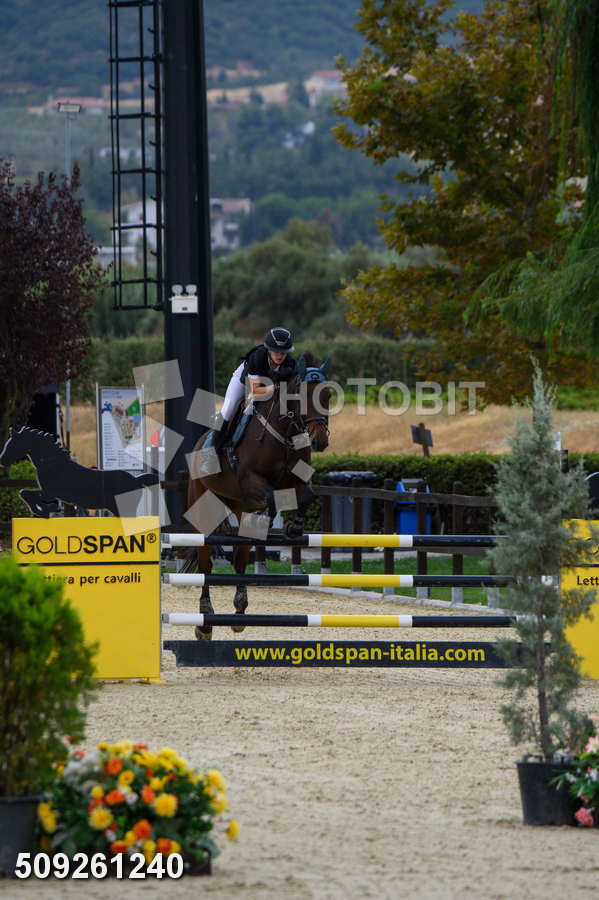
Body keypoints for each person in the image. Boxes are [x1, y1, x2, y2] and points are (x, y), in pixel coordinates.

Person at [204, 327, 298, 453]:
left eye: (283, 352)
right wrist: (276, 387)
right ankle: (210, 451)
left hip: (269, 388)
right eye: (276, 351)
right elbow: (255, 392)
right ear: (269, 349)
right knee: (228, 410)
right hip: (245, 383)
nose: (280, 356)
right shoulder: (257, 358)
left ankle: (302, 449)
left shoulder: (291, 364)